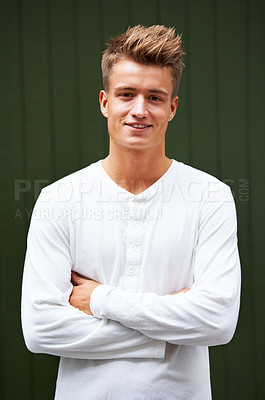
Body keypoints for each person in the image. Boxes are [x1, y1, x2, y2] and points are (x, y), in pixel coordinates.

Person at [21, 25, 241, 400]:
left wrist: (102, 301)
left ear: (172, 107)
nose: (139, 110)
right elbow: (41, 329)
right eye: (127, 95)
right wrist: (168, 334)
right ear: (105, 102)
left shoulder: (210, 197)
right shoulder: (59, 199)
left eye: (155, 97)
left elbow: (218, 322)